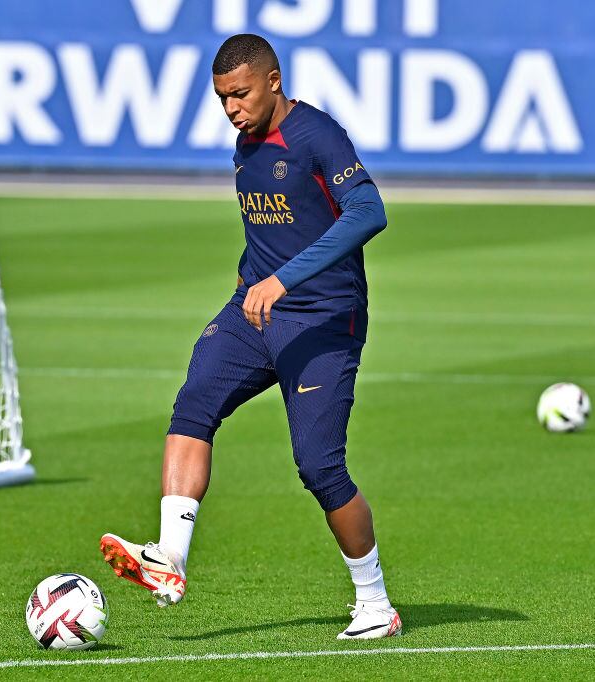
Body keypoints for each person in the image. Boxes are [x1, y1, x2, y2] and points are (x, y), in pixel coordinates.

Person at [99, 33, 400, 640]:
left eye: (240, 94)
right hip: (254, 311)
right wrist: (251, 275)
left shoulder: (316, 135)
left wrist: (282, 280)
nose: (232, 108)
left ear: (273, 80)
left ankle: (374, 604)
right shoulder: (246, 145)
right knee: (194, 404)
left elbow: (369, 212)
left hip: (322, 320)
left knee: (319, 467)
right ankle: (171, 557)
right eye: (222, 99)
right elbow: (273, 226)